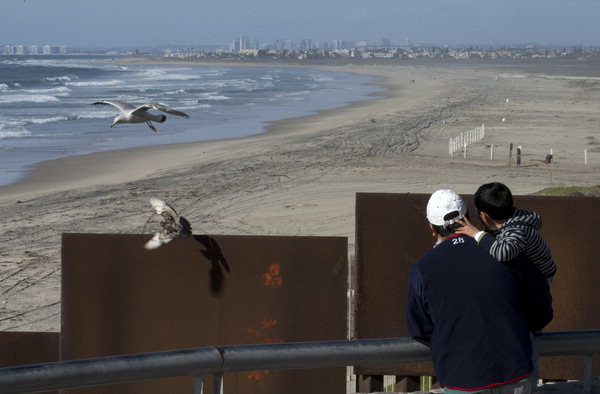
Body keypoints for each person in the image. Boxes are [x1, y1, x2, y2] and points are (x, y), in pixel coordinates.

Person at [406, 189, 553, 393]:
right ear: (468, 216)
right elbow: (540, 305)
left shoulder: (423, 268)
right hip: (515, 370)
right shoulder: (504, 251)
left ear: (432, 227)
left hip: (461, 377)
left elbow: (419, 328)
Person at [456, 182, 557, 282]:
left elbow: (502, 253)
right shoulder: (509, 216)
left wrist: (476, 233)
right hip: (527, 268)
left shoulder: (517, 230)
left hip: (539, 278)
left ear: (484, 216)